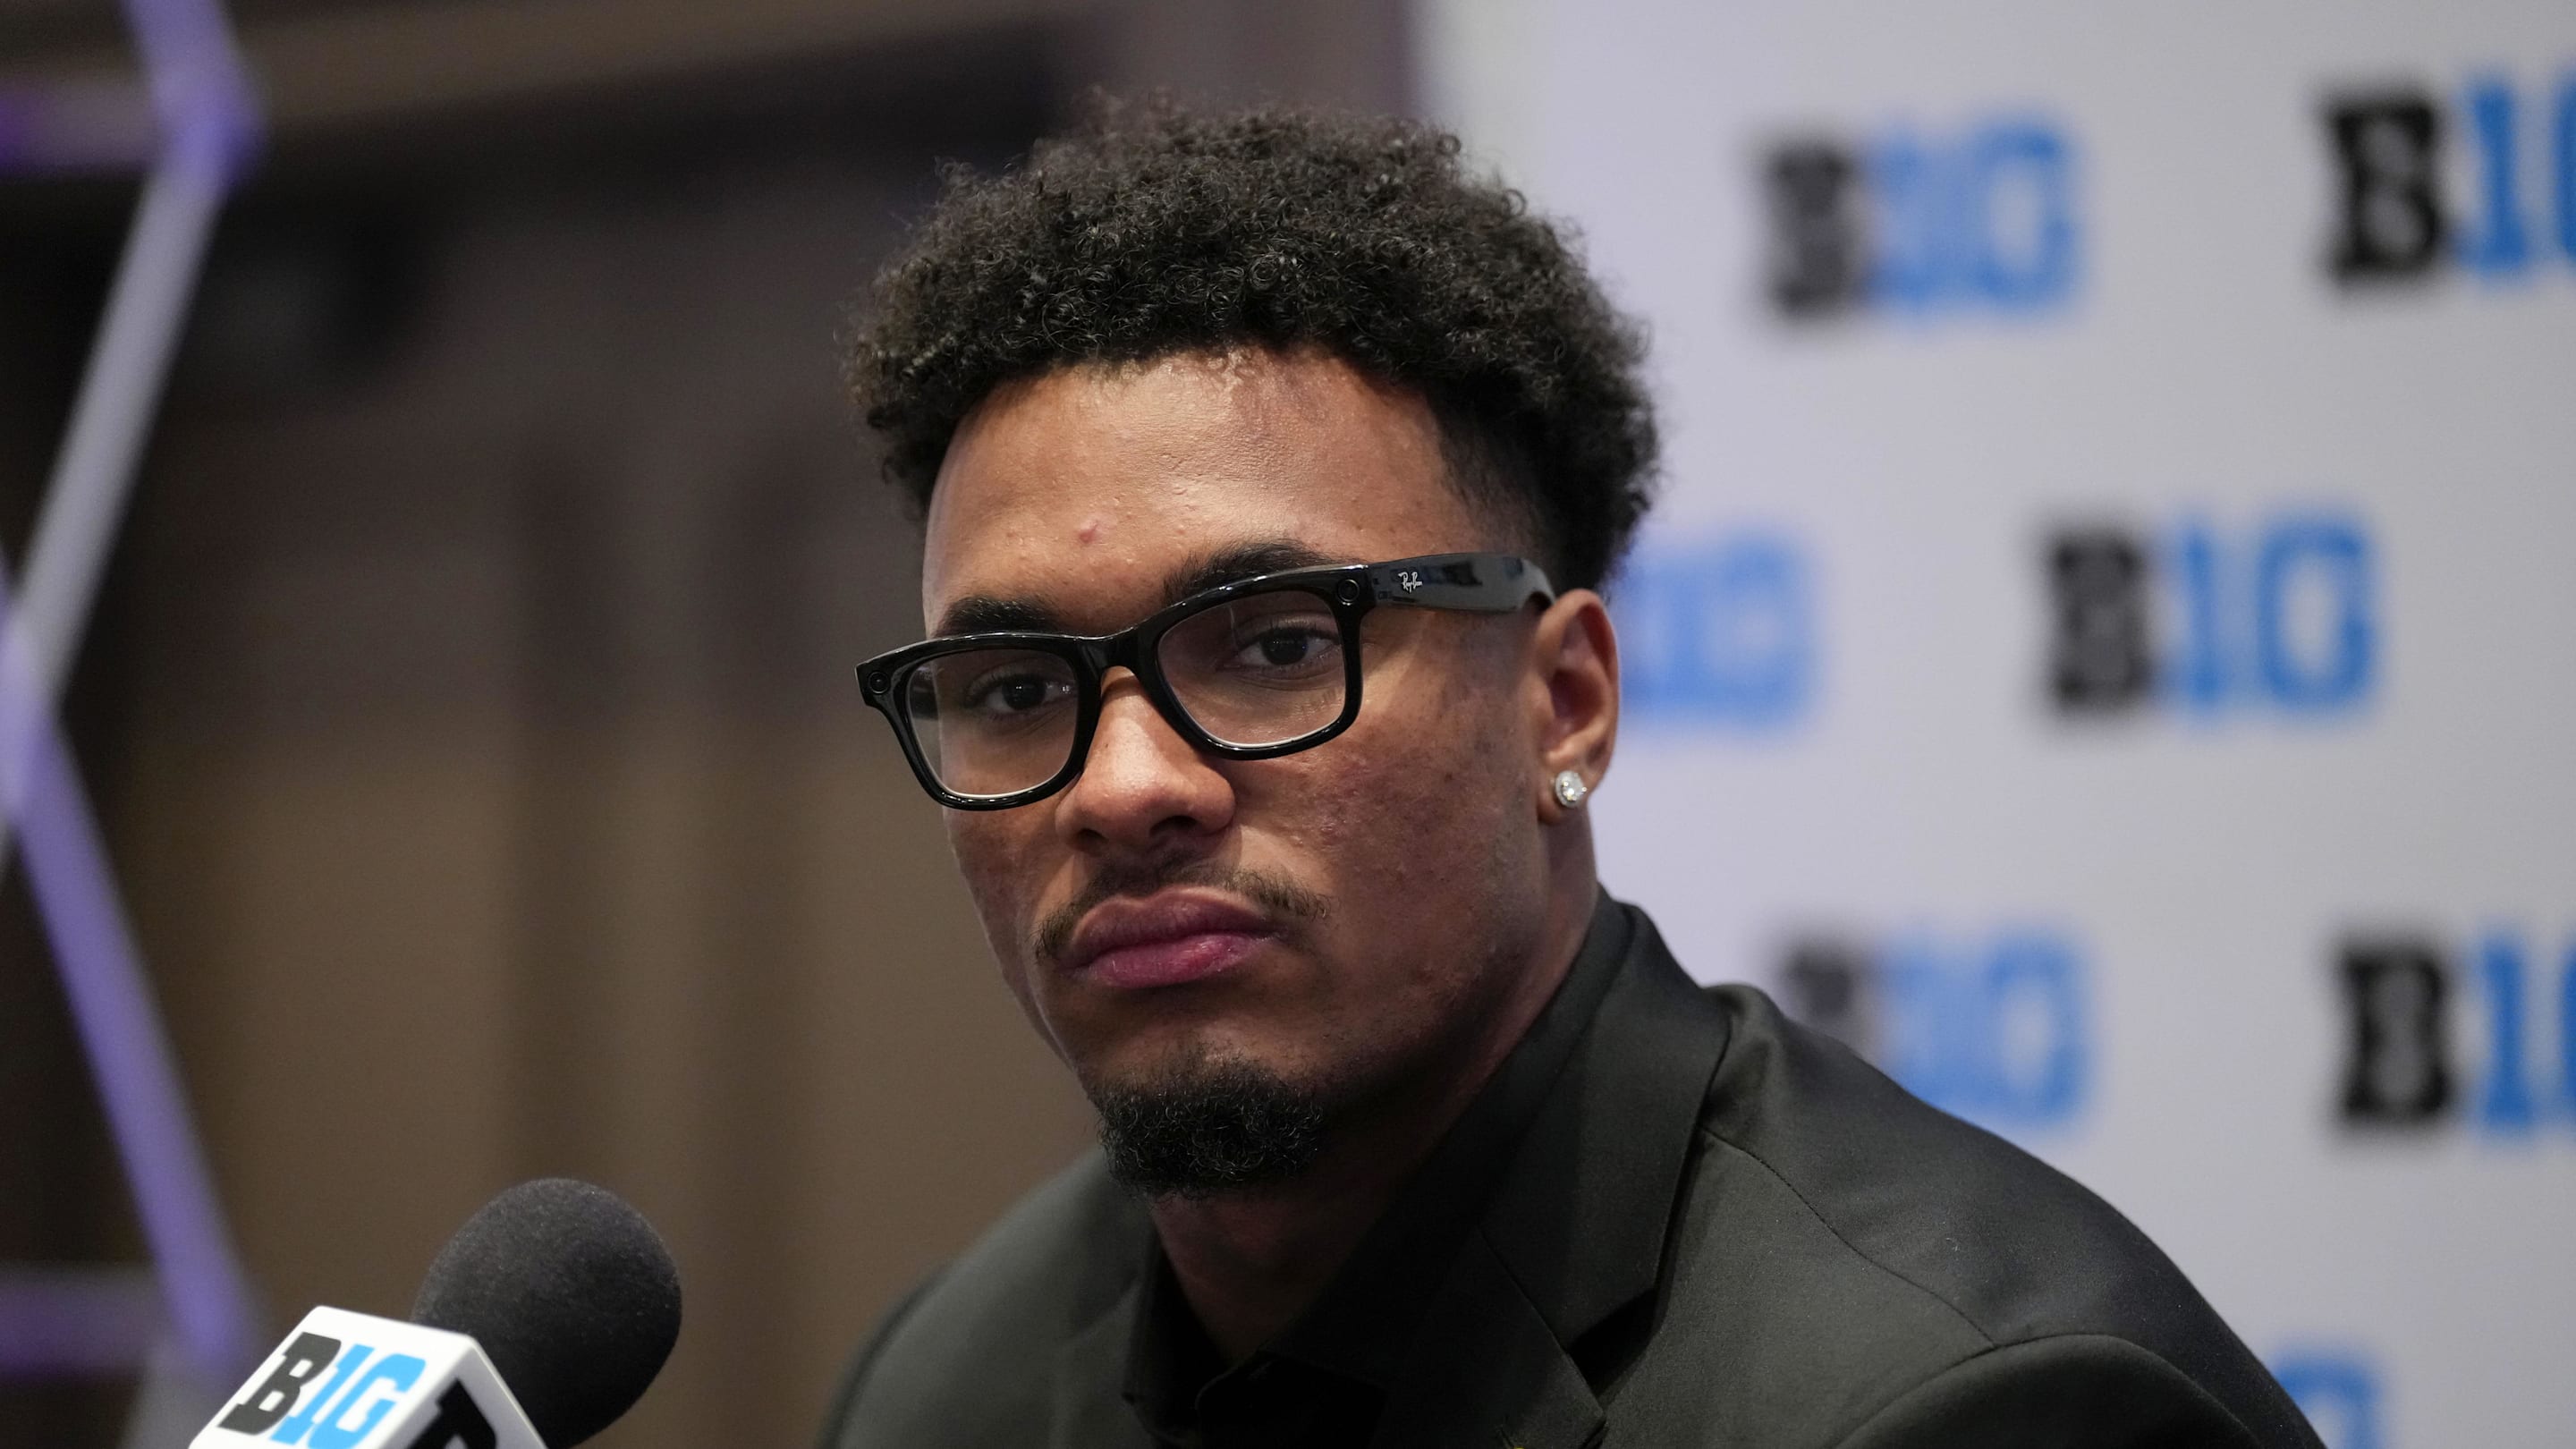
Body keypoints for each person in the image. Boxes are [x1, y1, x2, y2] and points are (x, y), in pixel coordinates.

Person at [817, 99, 2320, 1449]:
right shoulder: (950, 1384)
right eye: (1015, 689)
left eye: (1276, 648)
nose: (1123, 789)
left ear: (1566, 704)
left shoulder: (1969, 1404)